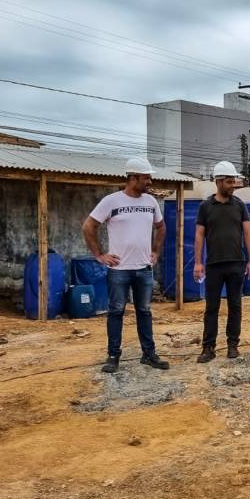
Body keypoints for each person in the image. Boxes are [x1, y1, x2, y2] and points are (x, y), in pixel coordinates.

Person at [82, 157, 169, 373]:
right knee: (116, 311)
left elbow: (161, 227)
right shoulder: (112, 201)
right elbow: (88, 226)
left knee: (144, 311)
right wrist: (99, 254)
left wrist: (156, 251)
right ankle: (113, 356)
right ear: (132, 178)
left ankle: (149, 354)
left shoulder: (150, 202)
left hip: (144, 269)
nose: (149, 181)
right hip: (119, 270)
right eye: (146, 177)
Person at [193, 161, 250, 363]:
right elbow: (199, 235)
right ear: (218, 182)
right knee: (212, 307)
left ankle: (232, 345)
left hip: (236, 263)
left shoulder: (240, 205)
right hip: (213, 265)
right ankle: (208, 348)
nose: (233, 185)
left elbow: (248, 233)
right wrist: (197, 263)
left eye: (234, 181)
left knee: (235, 305)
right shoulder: (205, 206)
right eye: (229, 181)